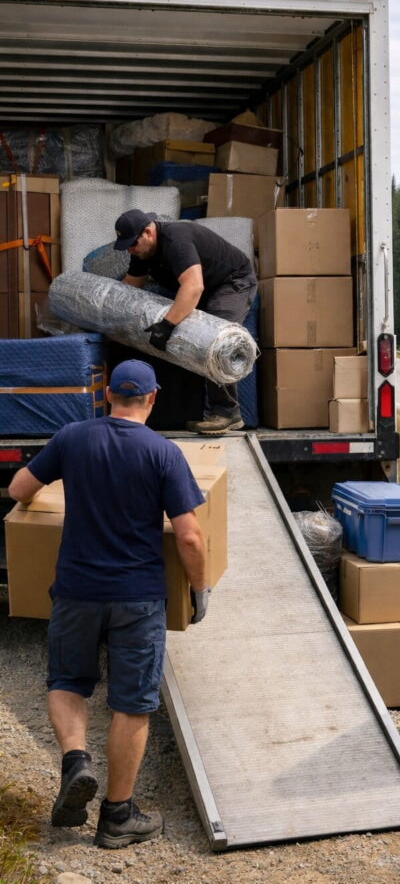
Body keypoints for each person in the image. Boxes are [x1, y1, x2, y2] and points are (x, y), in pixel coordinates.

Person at [8, 359, 210, 849]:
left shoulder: (72, 437)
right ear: (152, 399)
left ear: (105, 396)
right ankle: (117, 816)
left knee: (67, 681)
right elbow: (189, 537)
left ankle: (76, 760)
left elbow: (17, 490)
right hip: (136, 597)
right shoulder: (163, 452)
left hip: (76, 589)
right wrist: (199, 591)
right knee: (132, 703)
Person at [113, 209, 257, 435]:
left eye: (132, 244)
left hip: (231, 281)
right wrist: (110, 311)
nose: (130, 250)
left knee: (217, 341)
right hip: (205, 286)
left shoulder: (175, 241)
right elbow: (132, 284)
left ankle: (228, 413)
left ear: (148, 233)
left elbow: (193, 286)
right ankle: (199, 409)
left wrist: (166, 326)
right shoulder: (143, 253)